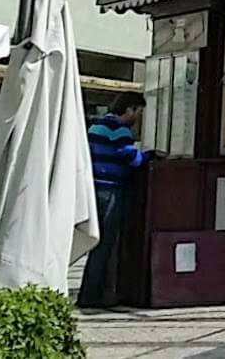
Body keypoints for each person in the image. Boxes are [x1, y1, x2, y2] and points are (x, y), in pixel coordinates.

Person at [80, 93, 149, 308]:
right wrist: (148, 156)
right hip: (111, 189)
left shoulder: (96, 126)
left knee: (96, 242)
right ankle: (93, 296)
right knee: (106, 243)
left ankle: (89, 292)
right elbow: (133, 160)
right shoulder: (120, 131)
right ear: (129, 109)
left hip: (94, 187)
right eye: (138, 112)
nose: (138, 117)